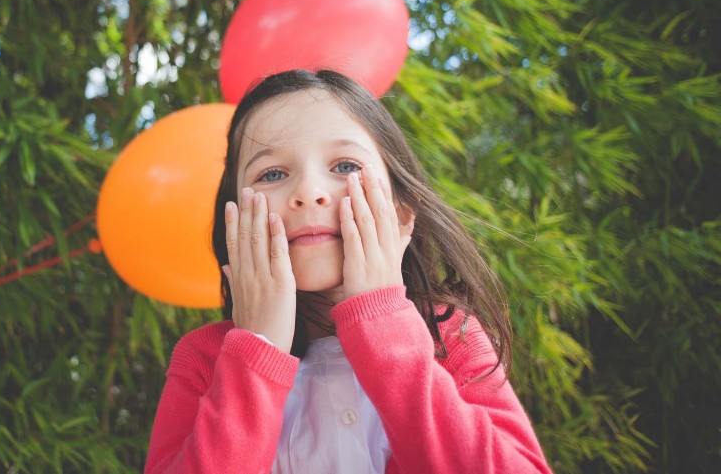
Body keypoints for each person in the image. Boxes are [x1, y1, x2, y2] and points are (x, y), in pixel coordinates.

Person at [145, 69, 552, 474]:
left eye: (344, 166)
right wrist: (257, 348)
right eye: (272, 174)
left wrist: (382, 320)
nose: (308, 192)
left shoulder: (450, 335)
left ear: (401, 213)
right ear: (232, 222)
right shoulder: (203, 361)